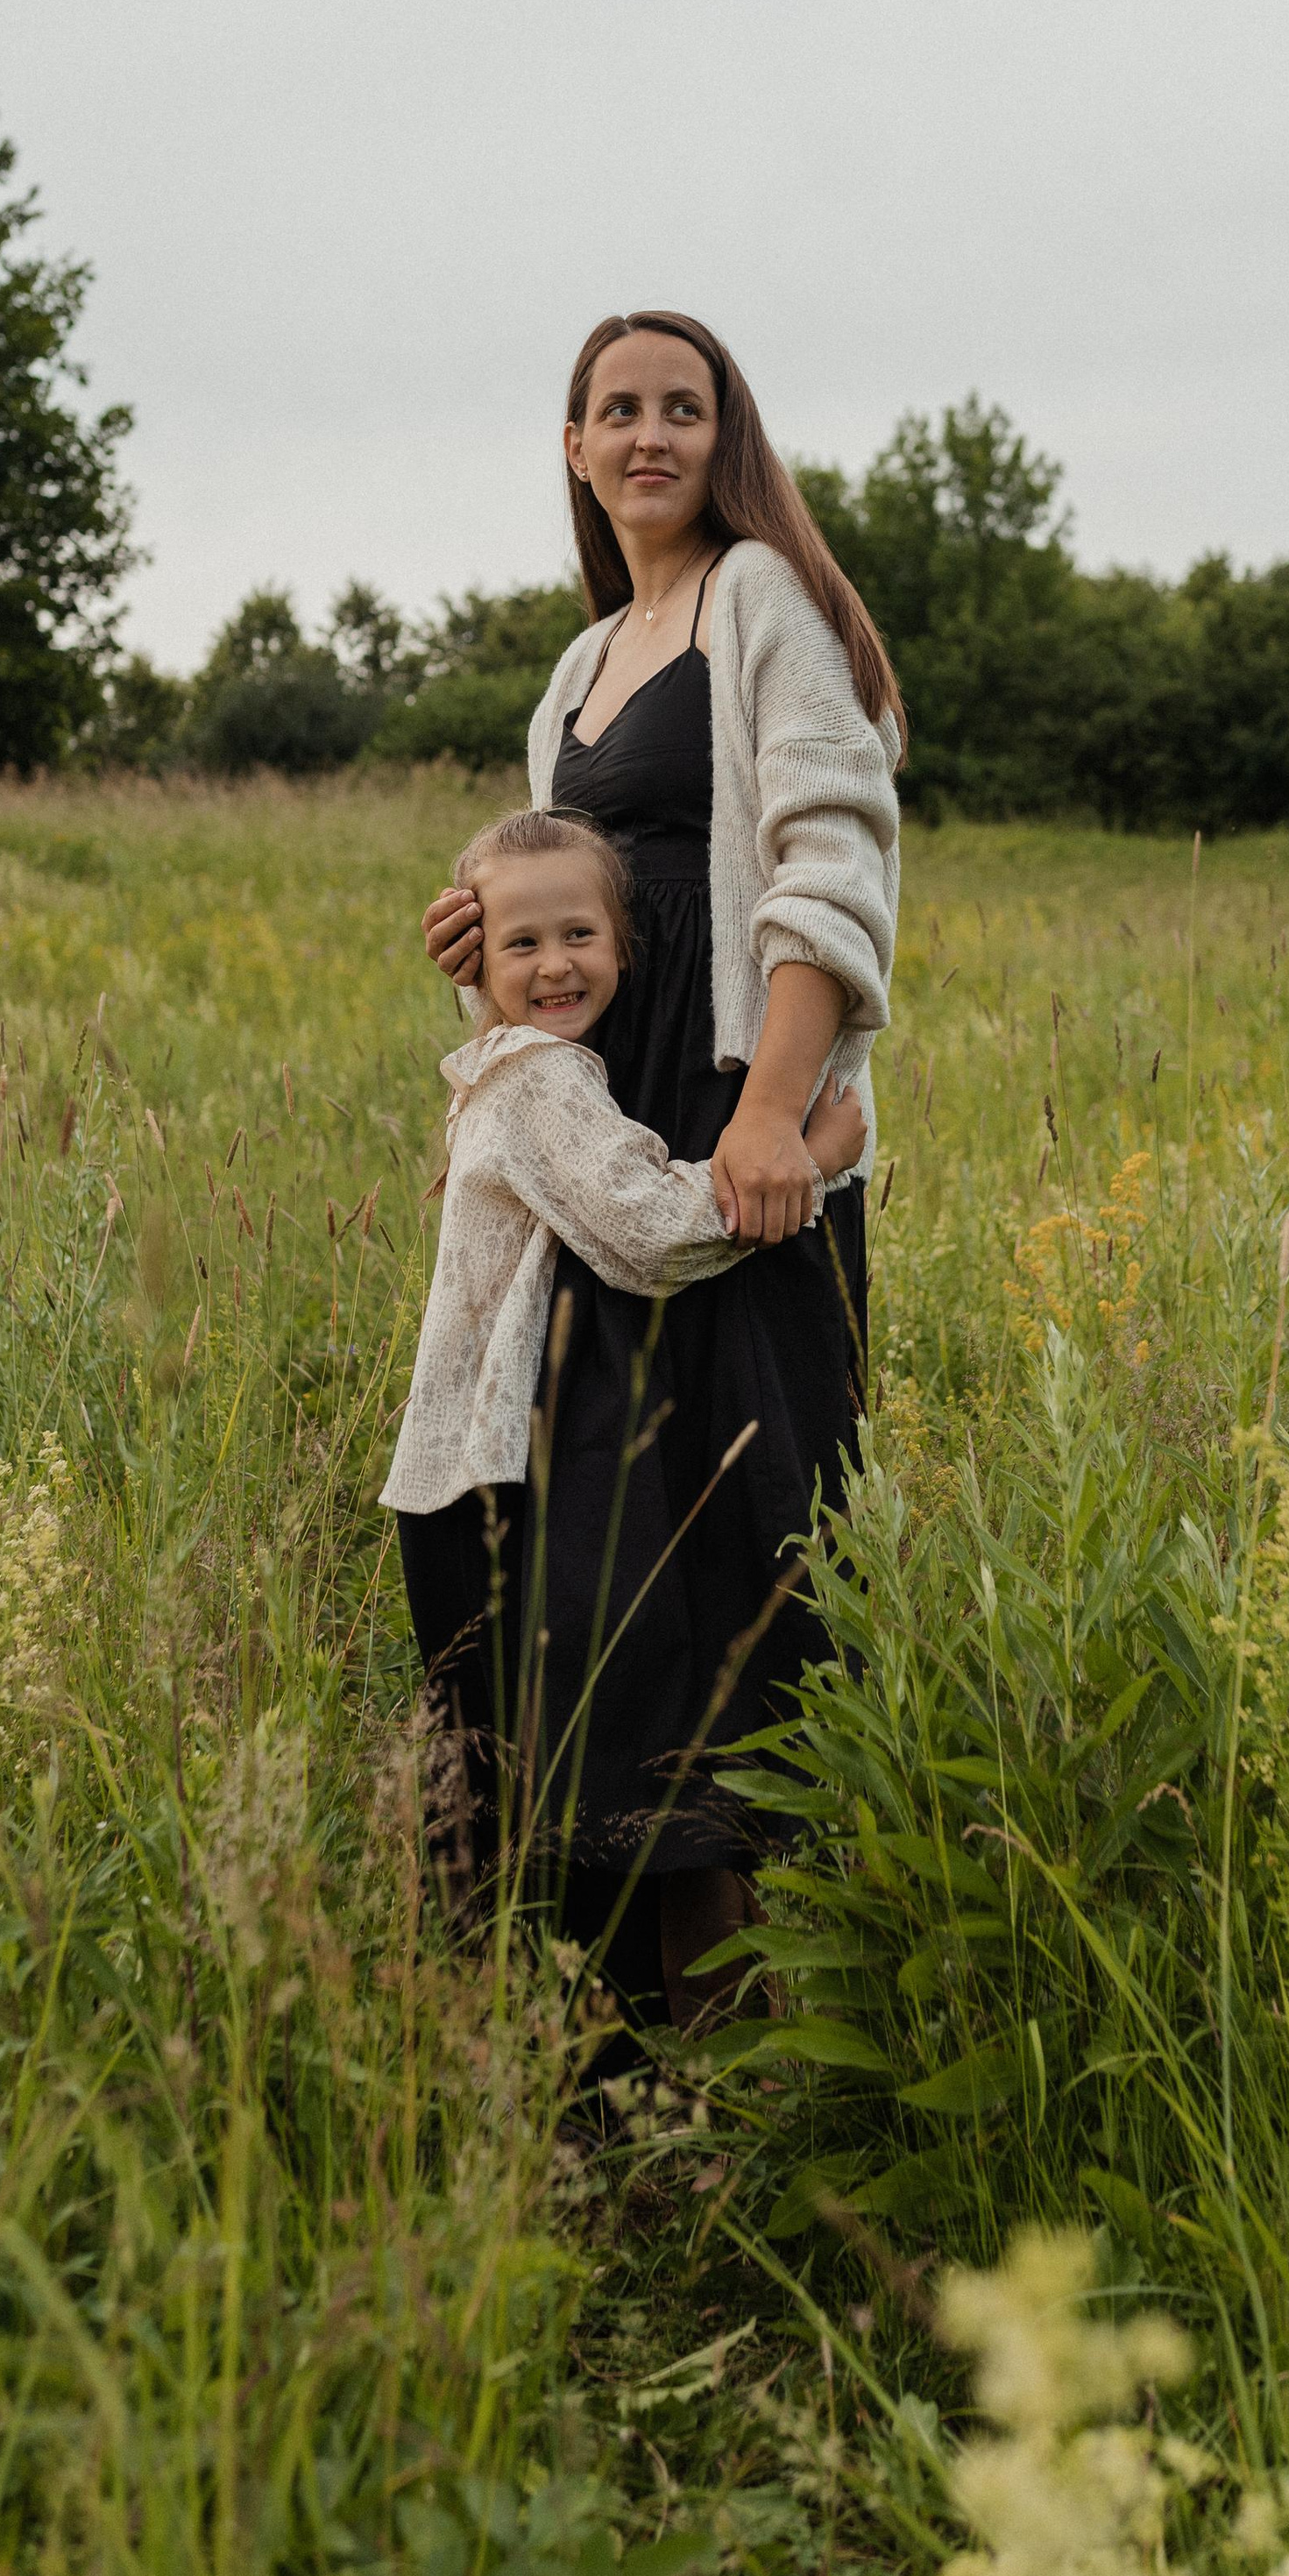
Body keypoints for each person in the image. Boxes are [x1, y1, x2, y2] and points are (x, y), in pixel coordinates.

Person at [414, 311, 903, 2027]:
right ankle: (627, 2015)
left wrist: (776, 1116)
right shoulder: (578, 665)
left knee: (740, 1562)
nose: (648, 435)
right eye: (615, 409)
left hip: (724, 1136)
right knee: (604, 1556)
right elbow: (576, 913)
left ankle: (781, 2021)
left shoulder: (761, 604)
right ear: (571, 445)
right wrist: (492, 950)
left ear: (722, 435)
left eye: (680, 408)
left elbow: (827, 862)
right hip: (608, 1166)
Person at [384, 809, 865, 1957]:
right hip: (486, 1480)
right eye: (520, 945)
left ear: (624, 942)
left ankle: (551, 2024)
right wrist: (818, 1156)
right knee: (574, 1750)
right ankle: (605, 2031)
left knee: (520, 1756)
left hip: (468, 1470)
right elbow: (648, 1230)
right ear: (473, 956)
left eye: (580, 935)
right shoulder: (540, 1083)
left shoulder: (521, 1067)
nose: (556, 966)